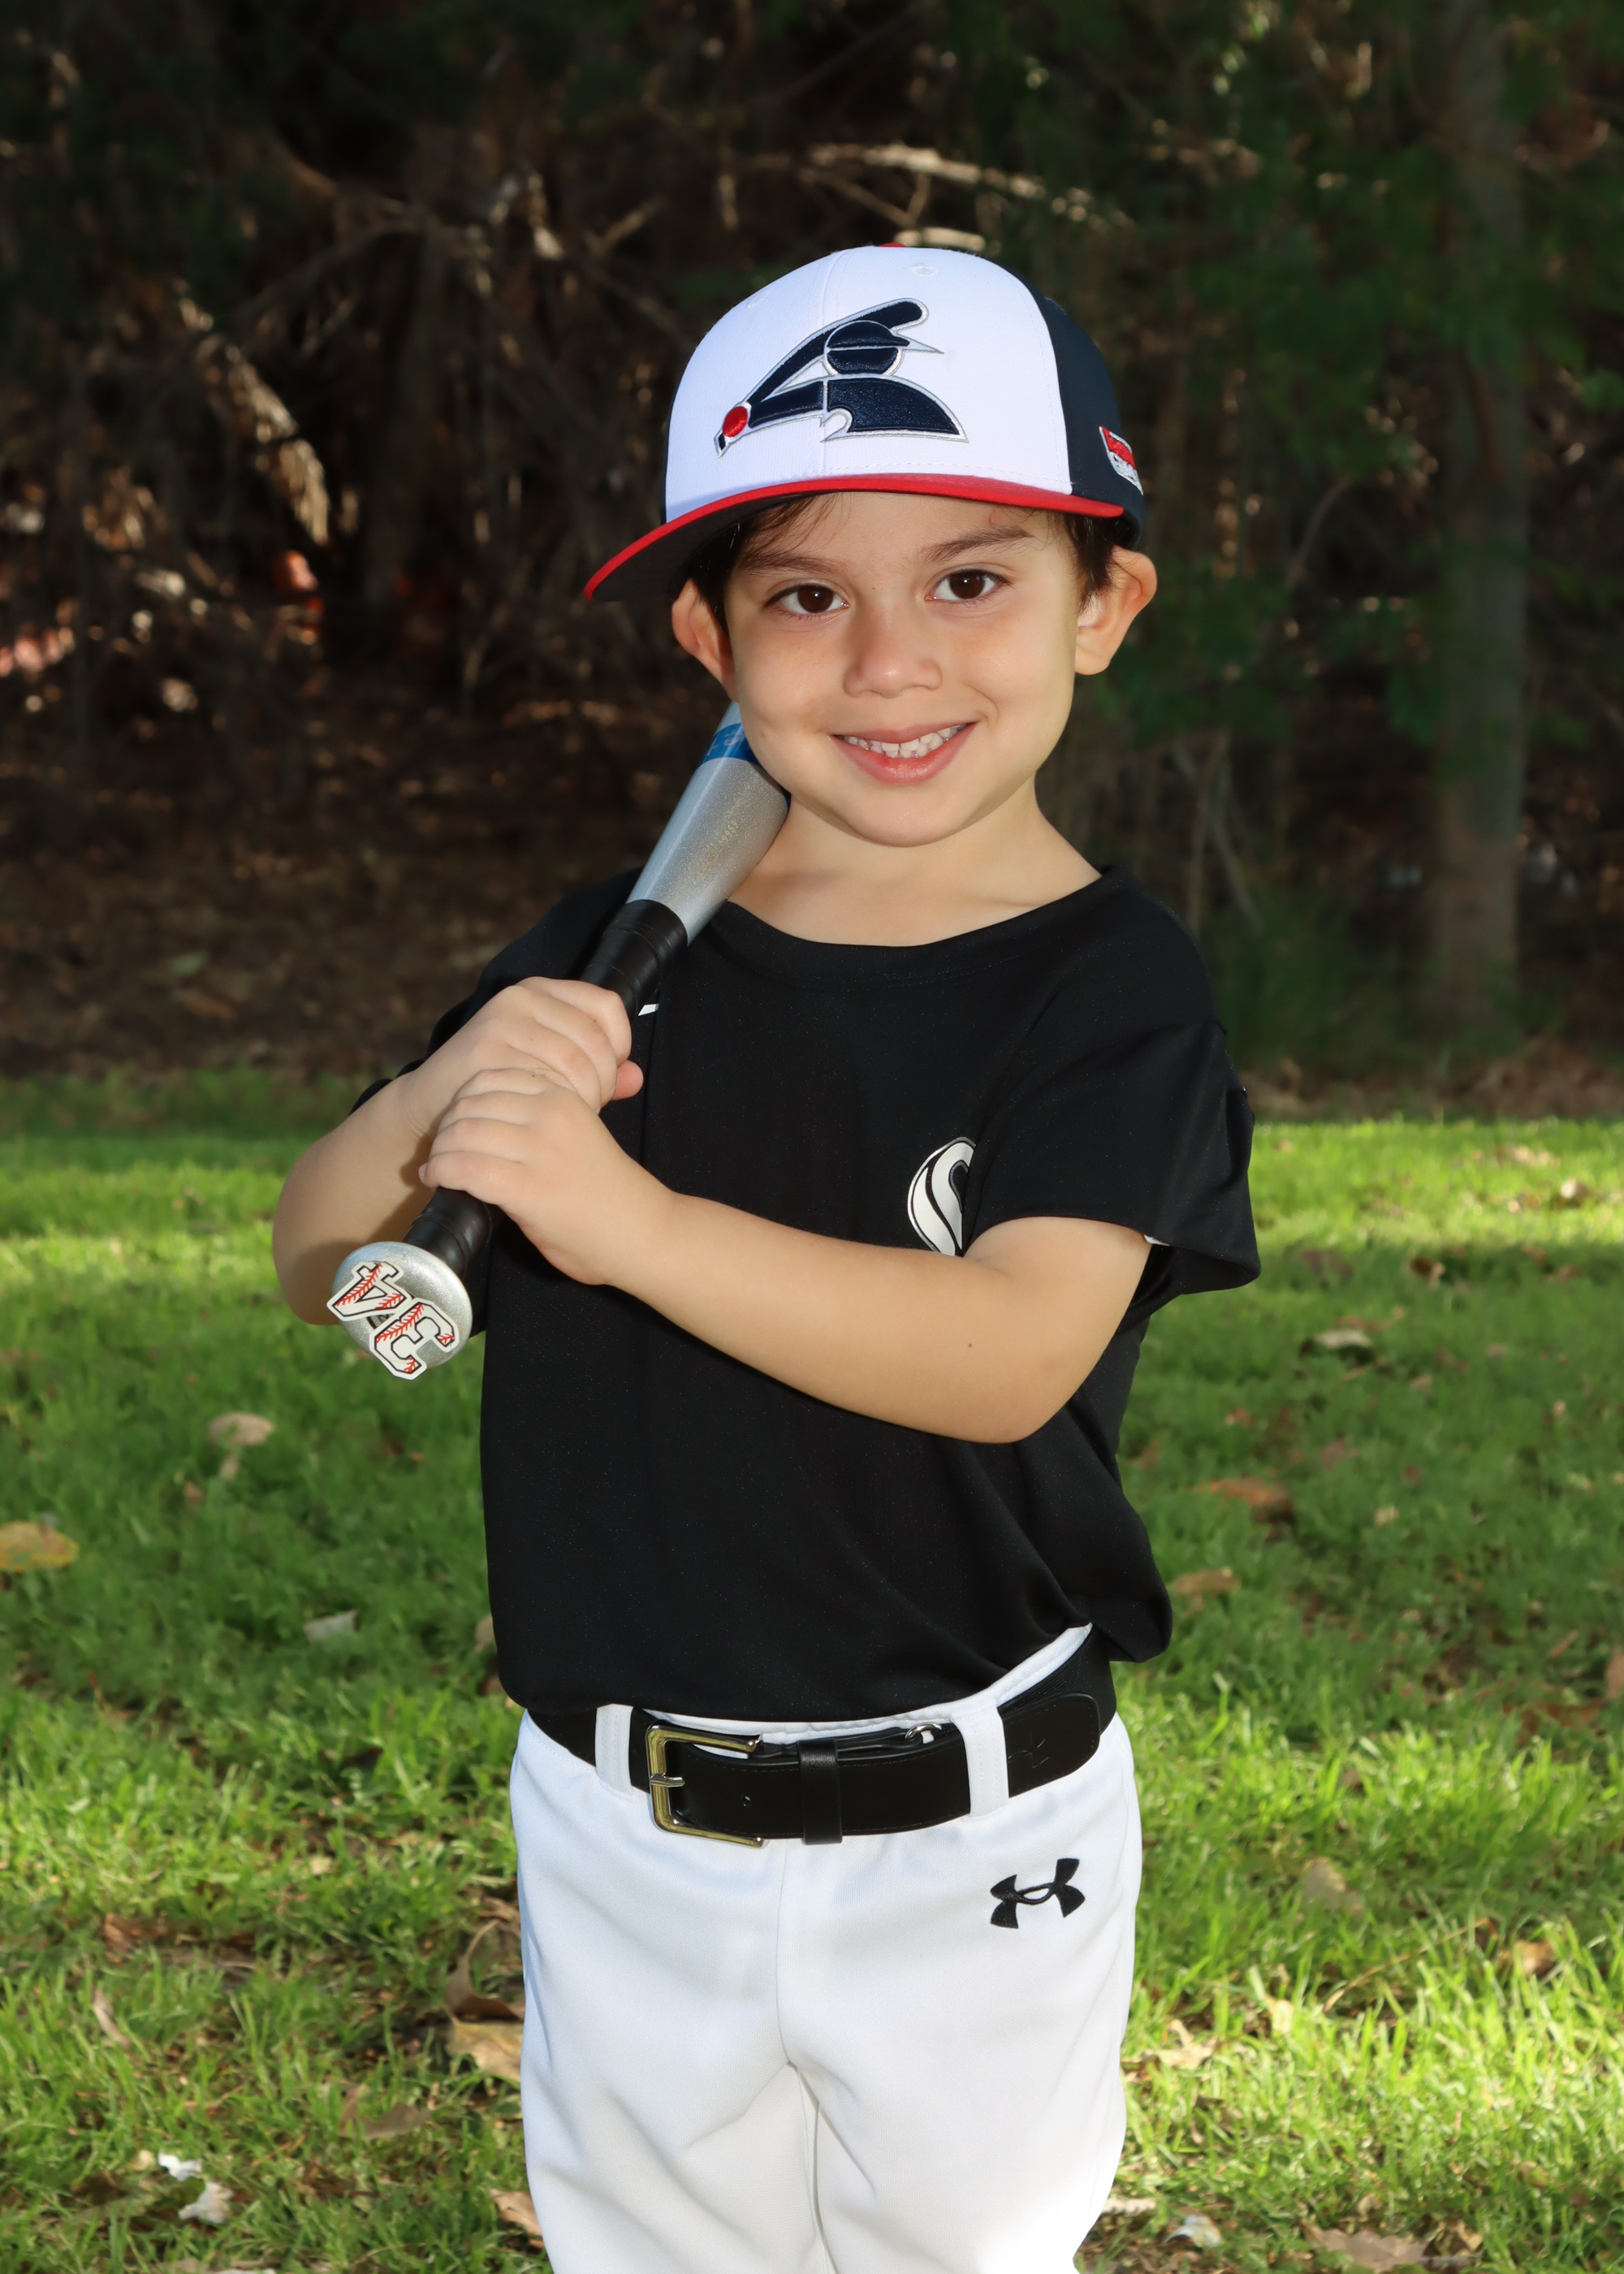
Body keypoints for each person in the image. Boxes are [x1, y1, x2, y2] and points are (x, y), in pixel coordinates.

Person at [273, 245, 1259, 2274]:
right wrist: (444, 1094)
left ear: (1103, 608)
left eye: (969, 579)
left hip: (969, 1824)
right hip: (622, 1819)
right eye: (807, 596)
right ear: (708, 638)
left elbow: (1008, 1350)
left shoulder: (1110, 987)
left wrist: (632, 1224)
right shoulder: (607, 951)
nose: (889, 660)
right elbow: (331, 1268)